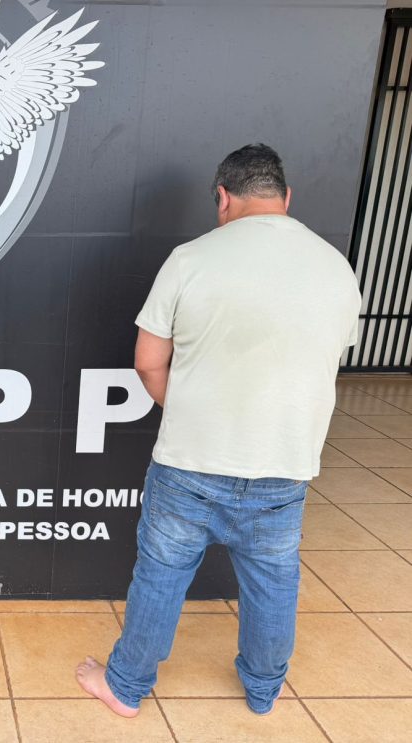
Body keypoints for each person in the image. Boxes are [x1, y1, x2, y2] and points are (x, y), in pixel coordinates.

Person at [77, 144, 361, 716]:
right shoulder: (337, 267)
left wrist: (185, 410)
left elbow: (148, 363)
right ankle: (263, 691)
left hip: (190, 462)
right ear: (286, 198)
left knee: (161, 578)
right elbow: (323, 363)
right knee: (273, 584)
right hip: (284, 465)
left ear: (223, 198)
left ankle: (125, 688)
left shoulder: (190, 259)